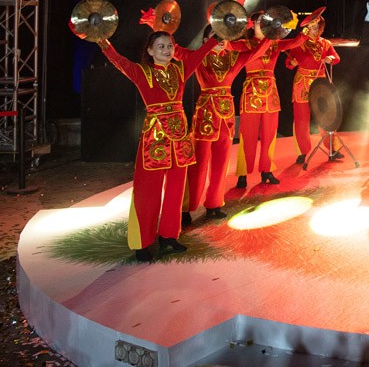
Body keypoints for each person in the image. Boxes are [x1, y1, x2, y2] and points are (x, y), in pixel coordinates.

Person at [93, 31, 216, 261]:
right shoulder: (142, 72)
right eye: (161, 46)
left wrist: (215, 39)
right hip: (156, 139)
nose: (167, 50)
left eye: (169, 46)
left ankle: (169, 236)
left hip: (179, 138)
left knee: (175, 190)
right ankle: (142, 243)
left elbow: (199, 55)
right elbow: (119, 61)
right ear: (150, 50)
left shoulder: (180, 70)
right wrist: (103, 42)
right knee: (147, 191)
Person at [183, 25, 269, 225]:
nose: (220, 39)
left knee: (221, 164)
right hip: (205, 115)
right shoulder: (199, 57)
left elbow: (256, 52)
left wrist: (270, 35)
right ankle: (186, 208)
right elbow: (178, 52)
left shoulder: (233, 58)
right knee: (198, 165)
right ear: (205, 40)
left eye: (222, 36)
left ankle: (214, 204)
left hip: (226, 117)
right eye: (215, 36)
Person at [234, 14, 306, 188]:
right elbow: (228, 44)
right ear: (252, 25)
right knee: (247, 134)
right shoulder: (245, 44)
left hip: (270, 95)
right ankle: (242, 173)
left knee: (269, 134)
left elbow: (295, 42)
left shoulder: (275, 43)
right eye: (260, 22)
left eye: (266, 22)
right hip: (251, 93)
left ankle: (267, 170)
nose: (263, 25)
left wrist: (304, 27)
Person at [285, 12, 341, 163]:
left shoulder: (325, 43)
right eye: (312, 28)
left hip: (320, 82)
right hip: (302, 82)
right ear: (307, 28)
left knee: (326, 116)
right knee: (301, 119)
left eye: (317, 28)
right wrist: (292, 63)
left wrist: (330, 58)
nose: (314, 31)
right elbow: (288, 63)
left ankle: (333, 148)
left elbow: (336, 58)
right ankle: (302, 152)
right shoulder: (299, 43)